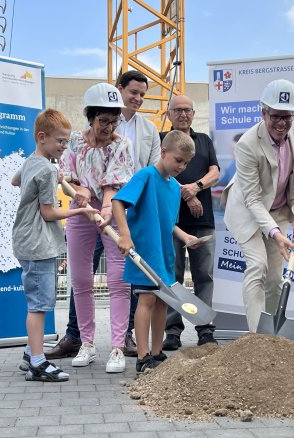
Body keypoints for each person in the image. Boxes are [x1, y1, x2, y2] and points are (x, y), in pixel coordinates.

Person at [221, 79, 294, 332]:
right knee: (257, 266)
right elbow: (252, 199)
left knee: (275, 279)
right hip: (247, 213)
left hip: (279, 209)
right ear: (263, 111)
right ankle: (256, 337)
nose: (282, 123)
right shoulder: (247, 144)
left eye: (288, 116)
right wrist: (275, 234)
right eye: (276, 116)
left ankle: (271, 335)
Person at [11, 109, 96, 382]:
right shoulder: (47, 168)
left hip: (26, 240)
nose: (64, 147)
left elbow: (15, 180)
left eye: (66, 141)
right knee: (38, 306)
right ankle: (38, 362)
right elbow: (49, 213)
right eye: (60, 141)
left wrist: (55, 175)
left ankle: (29, 353)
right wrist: (80, 212)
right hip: (38, 244)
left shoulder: (34, 161)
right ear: (42, 137)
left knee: (38, 301)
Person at [60, 82, 135, 373]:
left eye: (114, 120)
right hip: (80, 213)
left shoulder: (121, 145)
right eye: (103, 120)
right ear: (90, 117)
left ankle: (117, 347)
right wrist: (76, 189)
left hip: (112, 212)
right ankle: (87, 344)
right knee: (80, 279)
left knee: (118, 280)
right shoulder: (75, 142)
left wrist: (105, 210)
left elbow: (113, 185)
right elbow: (65, 178)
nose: (108, 126)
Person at [112, 131, 200, 372]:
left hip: (165, 255)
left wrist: (185, 237)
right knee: (147, 299)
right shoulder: (146, 176)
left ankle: (157, 353)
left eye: (186, 162)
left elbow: (168, 222)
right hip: (144, 253)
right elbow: (118, 202)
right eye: (178, 160)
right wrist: (125, 234)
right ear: (163, 152)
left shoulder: (174, 188)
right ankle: (142, 358)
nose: (182, 166)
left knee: (163, 302)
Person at [161, 95, 220, 350]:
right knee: (171, 276)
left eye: (188, 110)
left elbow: (215, 172)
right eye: (178, 110)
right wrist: (185, 194)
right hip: (170, 221)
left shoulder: (204, 141)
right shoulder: (161, 140)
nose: (183, 115)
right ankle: (172, 331)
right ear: (168, 113)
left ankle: (205, 330)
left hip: (202, 219)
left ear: (194, 114)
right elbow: (158, 171)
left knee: (203, 276)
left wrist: (195, 188)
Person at [116, 70, 162, 357]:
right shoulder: (106, 120)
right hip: (102, 203)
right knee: (84, 275)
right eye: (133, 92)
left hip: (135, 208)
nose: (138, 98)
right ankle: (75, 334)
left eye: (143, 95)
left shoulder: (150, 129)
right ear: (119, 89)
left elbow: (155, 168)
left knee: (132, 275)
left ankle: (127, 336)